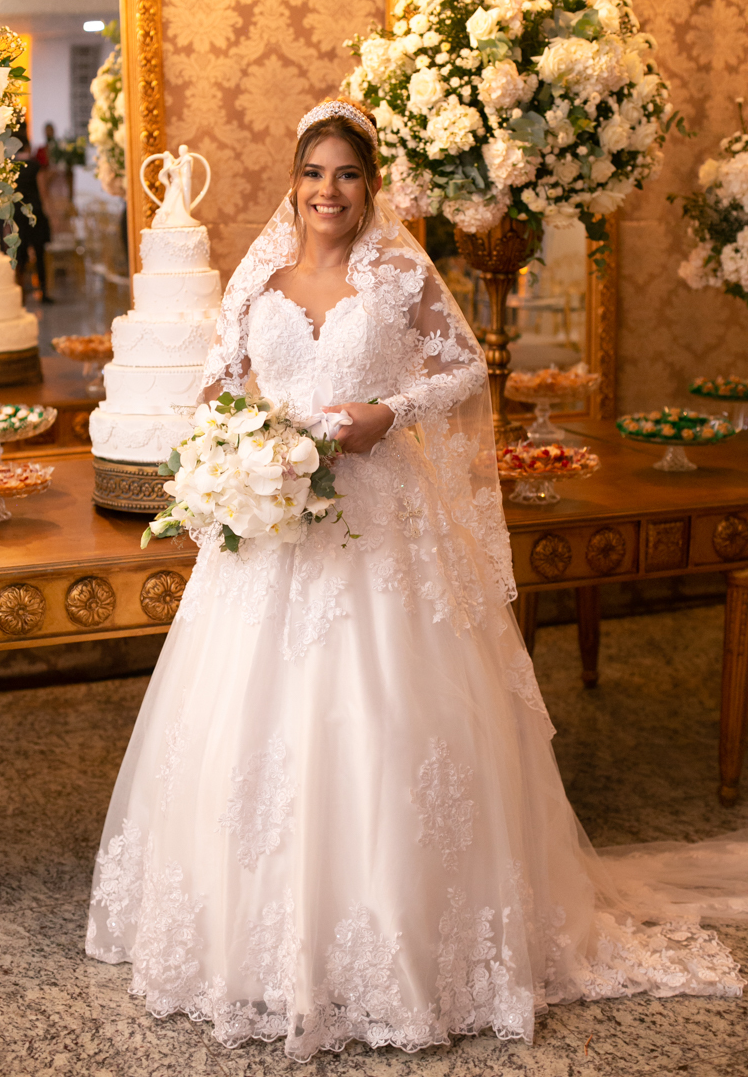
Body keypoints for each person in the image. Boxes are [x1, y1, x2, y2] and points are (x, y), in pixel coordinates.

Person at [86, 98, 747, 1062]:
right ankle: (255, 944)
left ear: (370, 186)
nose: (329, 191)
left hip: (382, 520)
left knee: (389, 711)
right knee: (254, 726)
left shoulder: (398, 274)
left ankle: (411, 944)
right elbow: (218, 384)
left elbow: (465, 371)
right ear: (293, 181)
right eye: (315, 173)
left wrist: (387, 412)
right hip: (276, 523)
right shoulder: (259, 275)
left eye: (348, 174)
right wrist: (244, 448)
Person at [11, 128, 53, 303]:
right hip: (35, 213)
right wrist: (49, 212)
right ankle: (43, 292)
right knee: (39, 253)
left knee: (19, 255)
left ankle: (20, 294)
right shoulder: (35, 166)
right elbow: (43, 191)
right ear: (27, 146)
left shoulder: (10, 167)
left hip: (17, 214)